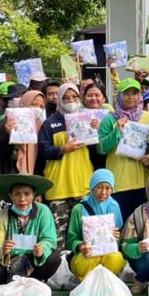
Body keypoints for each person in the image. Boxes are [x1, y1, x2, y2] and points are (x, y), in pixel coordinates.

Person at [0, 174, 63, 286]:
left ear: (33, 195)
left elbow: (49, 239)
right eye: (17, 194)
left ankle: (35, 282)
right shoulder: (1, 216)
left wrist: (41, 249)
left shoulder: (43, 211)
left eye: (27, 194)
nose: (22, 199)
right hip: (10, 261)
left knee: (54, 259)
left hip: (34, 260)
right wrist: (3, 250)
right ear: (10, 196)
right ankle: (10, 283)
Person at [39, 82, 95, 242]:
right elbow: (43, 152)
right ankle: (61, 268)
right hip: (58, 189)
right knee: (59, 240)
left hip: (83, 186)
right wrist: (62, 149)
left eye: (74, 97)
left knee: (86, 238)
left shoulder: (87, 119)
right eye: (66, 97)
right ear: (59, 100)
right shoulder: (49, 123)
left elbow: (98, 151)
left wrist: (95, 130)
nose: (71, 100)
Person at [98, 79, 149, 213]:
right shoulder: (110, 119)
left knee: (141, 225)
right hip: (119, 183)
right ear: (119, 96)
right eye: (126, 93)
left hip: (142, 182)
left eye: (134, 93)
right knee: (121, 226)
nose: (131, 97)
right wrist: (117, 131)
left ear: (140, 96)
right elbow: (101, 148)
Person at [66, 169, 126, 280]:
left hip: (107, 253)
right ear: (92, 187)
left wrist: (116, 236)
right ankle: (88, 283)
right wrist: (80, 246)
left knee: (116, 258)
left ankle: (108, 282)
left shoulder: (114, 206)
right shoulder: (79, 209)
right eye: (99, 187)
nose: (103, 192)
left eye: (108, 188)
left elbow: (119, 234)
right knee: (87, 259)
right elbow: (71, 240)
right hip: (87, 254)